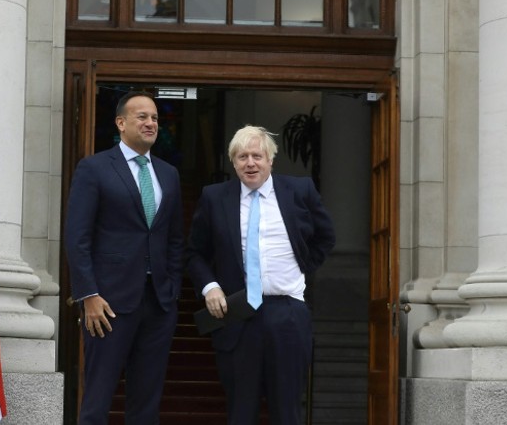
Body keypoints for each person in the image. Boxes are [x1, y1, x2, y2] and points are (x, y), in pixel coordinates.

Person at [186, 125, 335, 425]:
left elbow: (325, 237)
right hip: (238, 314)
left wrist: (300, 270)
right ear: (233, 162)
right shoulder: (215, 197)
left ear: (270, 160)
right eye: (242, 157)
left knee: (287, 410)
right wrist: (210, 286)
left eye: (257, 155)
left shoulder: (300, 191)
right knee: (241, 411)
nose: (250, 163)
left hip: (287, 314)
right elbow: (193, 252)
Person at [64, 91, 184, 424]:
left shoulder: (168, 174)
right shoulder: (94, 168)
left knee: (146, 404)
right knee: (97, 400)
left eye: (155, 118)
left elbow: (174, 239)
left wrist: (171, 291)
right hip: (108, 304)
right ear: (121, 123)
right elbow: (77, 238)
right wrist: (88, 295)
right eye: (142, 117)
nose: (151, 123)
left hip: (158, 303)